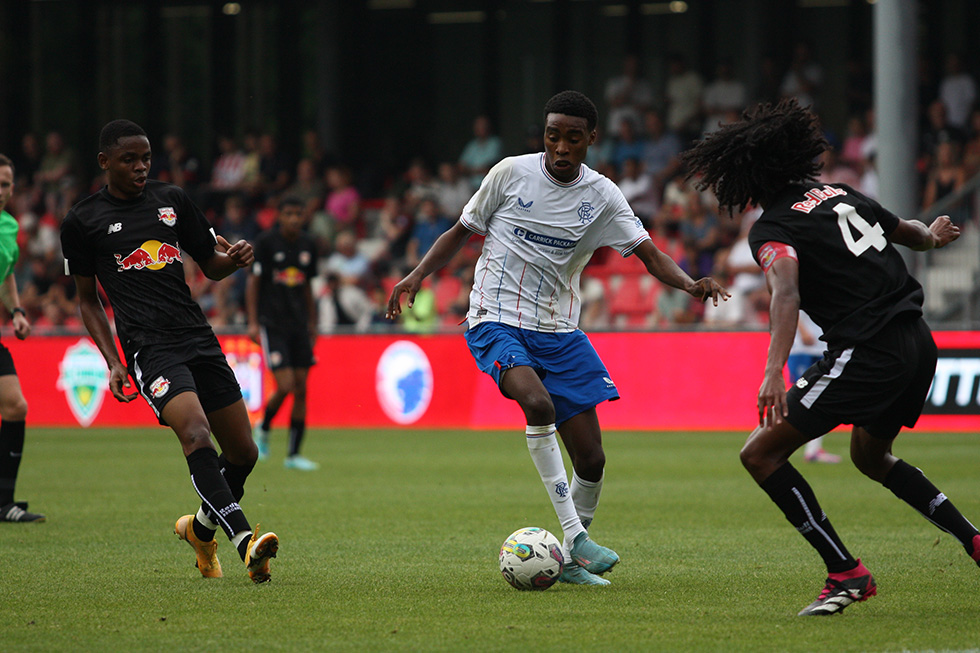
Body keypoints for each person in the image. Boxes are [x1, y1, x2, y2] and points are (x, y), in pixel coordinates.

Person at [387, 91, 729, 586]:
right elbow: (460, 232)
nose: (561, 147)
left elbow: (650, 255)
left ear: (591, 139)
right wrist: (416, 275)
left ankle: (570, 558)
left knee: (592, 457)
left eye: (573, 138)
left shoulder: (604, 196)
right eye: (553, 136)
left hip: (560, 329)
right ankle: (577, 537)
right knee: (538, 404)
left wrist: (690, 282)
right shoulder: (509, 173)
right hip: (495, 316)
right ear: (543, 136)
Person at [681, 98, 977, 617]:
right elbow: (908, 232)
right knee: (869, 455)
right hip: (917, 342)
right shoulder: (840, 193)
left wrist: (773, 370)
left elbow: (786, 292)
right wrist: (933, 236)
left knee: (759, 454)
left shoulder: (772, 227)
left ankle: (846, 572)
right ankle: (973, 540)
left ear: (746, 173)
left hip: (867, 350)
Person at [60, 119, 279, 582]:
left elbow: (211, 265)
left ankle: (200, 531)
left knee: (243, 452)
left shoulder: (172, 200)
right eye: (129, 160)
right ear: (104, 163)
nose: (141, 167)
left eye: (145, 158)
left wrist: (234, 261)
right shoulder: (83, 220)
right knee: (197, 435)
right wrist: (114, 361)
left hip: (197, 336)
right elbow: (86, 299)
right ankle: (244, 542)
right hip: (148, 347)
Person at [247, 197, 320, 471]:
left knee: (301, 389)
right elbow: (253, 283)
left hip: (299, 324)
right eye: (288, 214)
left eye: (298, 214)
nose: (293, 219)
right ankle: (263, 427)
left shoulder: (308, 245)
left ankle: (293, 455)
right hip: (272, 323)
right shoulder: (266, 243)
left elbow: (307, 287)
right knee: (286, 385)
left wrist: (313, 322)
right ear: (280, 216)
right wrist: (253, 322)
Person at [0, 155, 44, 523]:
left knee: (15, 406)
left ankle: (4, 502)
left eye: (6, 184)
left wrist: (17, 311)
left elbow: (7, 273)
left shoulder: (9, 226)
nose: (2, 191)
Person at [787, 311, 840, 464]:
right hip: (802, 349)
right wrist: (803, 331)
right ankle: (777, 440)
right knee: (799, 396)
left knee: (820, 397)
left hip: (822, 348)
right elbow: (791, 307)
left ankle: (813, 449)